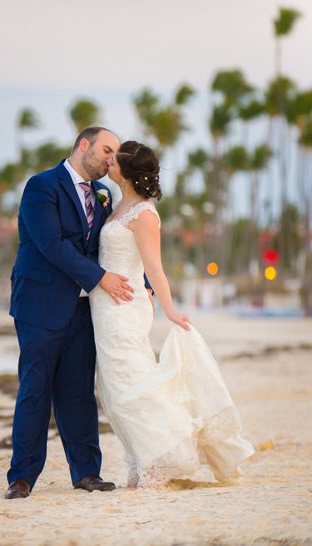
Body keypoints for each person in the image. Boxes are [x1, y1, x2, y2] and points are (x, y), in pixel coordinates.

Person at [90, 141, 254, 487]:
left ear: (129, 172)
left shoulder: (145, 215)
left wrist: (170, 310)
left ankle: (166, 456)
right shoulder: (117, 205)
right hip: (103, 308)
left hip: (124, 309)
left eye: (115, 161)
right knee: (112, 388)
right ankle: (141, 462)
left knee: (128, 384)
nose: (109, 163)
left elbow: (155, 268)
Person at [6, 127, 134, 499]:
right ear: (84, 145)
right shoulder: (42, 186)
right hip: (40, 304)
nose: (112, 159)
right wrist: (99, 278)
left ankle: (86, 473)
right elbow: (49, 244)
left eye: (116, 154)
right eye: (107, 150)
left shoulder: (104, 195)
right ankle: (22, 477)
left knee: (78, 393)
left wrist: (141, 282)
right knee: (35, 388)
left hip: (84, 309)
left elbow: (110, 248)